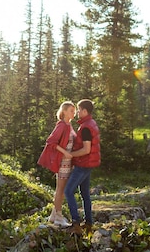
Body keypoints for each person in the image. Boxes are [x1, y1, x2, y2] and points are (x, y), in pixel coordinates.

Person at [37, 101, 76, 227]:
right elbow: (51, 142)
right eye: (71, 110)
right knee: (61, 189)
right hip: (63, 162)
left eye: (74, 110)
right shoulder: (62, 125)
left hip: (68, 162)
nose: (74, 113)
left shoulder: (69, 125)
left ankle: (54, 215)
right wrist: (65, 152)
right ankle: (59, 217)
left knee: (61, 188)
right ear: (64, 111)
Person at [64, 99, 100, 235]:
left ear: (85, 111)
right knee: (84, 194)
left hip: (84, 164)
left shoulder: (85, 127)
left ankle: (76, 222)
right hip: (89, 164)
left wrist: (70, 155)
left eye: (79, 110)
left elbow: (86, 149)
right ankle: (89, 222)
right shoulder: (91, 123)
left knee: (68, 191)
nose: (77, 112)